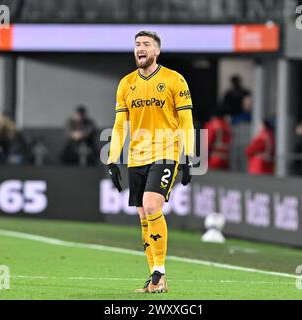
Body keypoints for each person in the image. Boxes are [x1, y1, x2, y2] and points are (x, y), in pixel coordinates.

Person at [107, 30, 195, 293]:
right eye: (137, 44)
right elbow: (120, 125)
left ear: (157, 51)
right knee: (143, 214)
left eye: (146, 44)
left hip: (166, 152)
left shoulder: (174, 80)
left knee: (151, 204)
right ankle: (157, 280)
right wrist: (113, 160)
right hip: (136, 157)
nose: (140, 48)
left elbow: (186, 122)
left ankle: (159, 271)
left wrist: (189, 156)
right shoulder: (126, 84)